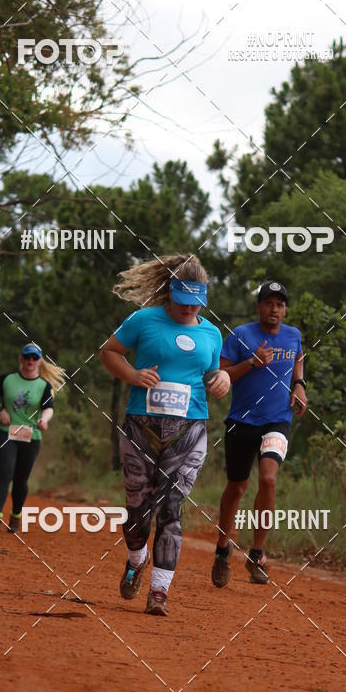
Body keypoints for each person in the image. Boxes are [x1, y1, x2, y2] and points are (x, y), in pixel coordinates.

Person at [100, 254, 230, 616]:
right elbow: (109, 352)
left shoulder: (212, 333)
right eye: (183, 300)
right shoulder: (143, 320)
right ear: (169, 293)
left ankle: (159, 593)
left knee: (171, 510)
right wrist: (132, 375)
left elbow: (214, 374)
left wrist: (224, 379)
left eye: (196, 302)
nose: (189, 308)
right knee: (138, 511)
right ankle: (135, 560)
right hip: (142, 426)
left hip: (190, 430)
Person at [211, 281, 307, 587]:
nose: (274, 309)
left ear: (285, 309)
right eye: (269, 303)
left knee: (268, 478)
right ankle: (222, 550)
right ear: (259, 307)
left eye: (280, 304)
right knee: (237, 488)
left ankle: (256, 553)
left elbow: (298, 359)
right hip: (242, 420)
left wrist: (300, 384)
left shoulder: (293, 335)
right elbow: (220, 375)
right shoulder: (241, 335)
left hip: (277, 420)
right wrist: (251, 363)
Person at [0, 343, 63, 532]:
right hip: (6, 432)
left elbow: (48, 408)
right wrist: (0, 409)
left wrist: (44, 420)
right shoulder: (7, 379)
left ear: (40, 361)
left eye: (34, 358)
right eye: (27, 357)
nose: (30, 361)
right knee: (4, 472)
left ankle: (16, 517)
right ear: (21, 359)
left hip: (31, 436)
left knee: (20, 479)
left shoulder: (44, 385)